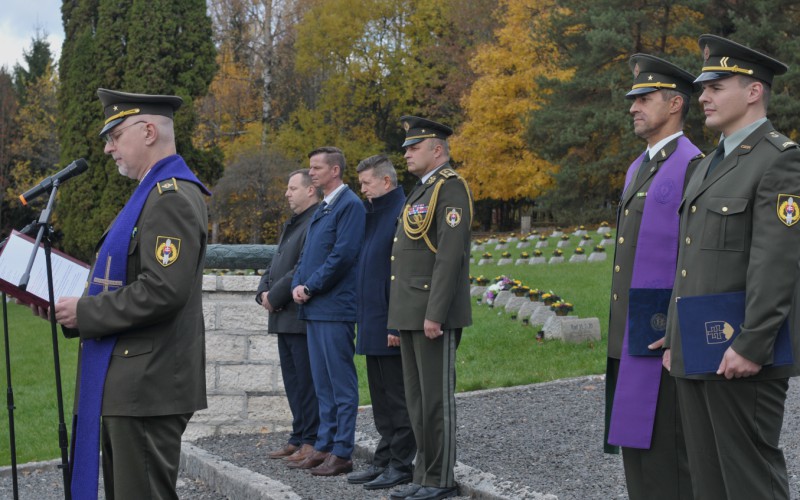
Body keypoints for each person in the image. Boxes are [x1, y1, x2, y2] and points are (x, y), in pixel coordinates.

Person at [46, 89, 210, 499]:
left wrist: (87, 313)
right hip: (133, 382)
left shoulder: (170, 197)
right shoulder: (151, 195)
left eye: (115, 135)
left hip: (148, 385)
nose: (108, 148)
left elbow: (163, 290)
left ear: (149, 131)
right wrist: (74, 305)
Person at [664, 35, 800, 499]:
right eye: (703, 88)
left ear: (754, 91)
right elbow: (691, 257)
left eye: (716, 86)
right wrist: (675, 334)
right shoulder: (705, 166)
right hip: (699, 348)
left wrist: (753, 343)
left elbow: (776, 263)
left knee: (749, 481)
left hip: (743, 354)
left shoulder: (779, 161)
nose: (702, 97)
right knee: (708, 481)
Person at [604, 54, 702, 499]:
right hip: (631, 330)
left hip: (663, 334)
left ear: (675, 103)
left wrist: (679, 327)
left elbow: (696, 255)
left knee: (668, 452)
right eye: (633, 99)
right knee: (635, 448)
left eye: (644, 98)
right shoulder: (639, 165)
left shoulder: (693, 163)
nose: (633, 107)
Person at [387, 116, 472, 500]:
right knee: (417, 400)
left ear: (437, 150)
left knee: (436, 400)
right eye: (406, 147)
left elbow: (449, 257)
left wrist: (435, 312)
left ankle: (441, 480)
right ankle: (424, 474)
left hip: (430, 314)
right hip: (410, 311)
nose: (406, 153)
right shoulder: (420, 191)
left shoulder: (450, 189)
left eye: (413, 146)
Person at [289, 146, 365, 476]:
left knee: (340, 383)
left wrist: (311, 286)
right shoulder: (324, 208)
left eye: (317, 167)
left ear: (335, 171)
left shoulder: (349, 205)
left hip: (334, 307)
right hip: (316, 308)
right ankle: (324, 444)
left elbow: (342, 256)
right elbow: (309, 254)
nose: (312, 173)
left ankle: (343, 451)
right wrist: (297, 282)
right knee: (322, 383)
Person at [346, 155, 415, 490]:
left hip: (390, 324)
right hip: (373, 320)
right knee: (381, 399)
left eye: (366, 183)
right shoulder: (374, 214)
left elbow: (403, 275)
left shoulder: (403, 214)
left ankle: (402, 464)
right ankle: (385, 459)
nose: (362, 190)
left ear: (386, 182)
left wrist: (396, 324)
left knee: (398, 399)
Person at [255, 169, 320, 463]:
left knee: (306, 383)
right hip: (282, 316)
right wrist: (262, 292)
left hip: (299, 315)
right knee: (293, 383)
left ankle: (311, 439)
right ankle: (298, 436)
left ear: (310, 190)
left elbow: (302, 267)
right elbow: (276, 261)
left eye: (293, 187)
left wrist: (275, 296)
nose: (287, 193)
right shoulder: (292, 223)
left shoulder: (315, 221)